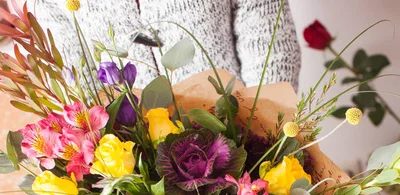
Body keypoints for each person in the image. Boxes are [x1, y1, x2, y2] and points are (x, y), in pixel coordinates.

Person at [27, 0, 301, 91]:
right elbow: (73, 75)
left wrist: (266, 126)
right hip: (132, 165)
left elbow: (266, 32)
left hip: (239, 135)